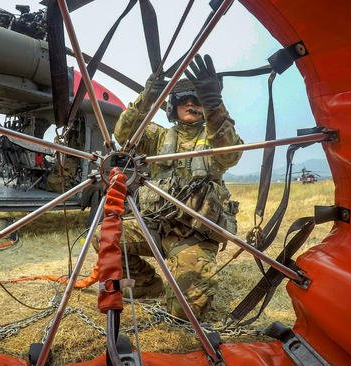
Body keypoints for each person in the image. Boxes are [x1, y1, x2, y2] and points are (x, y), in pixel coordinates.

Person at [94, 54, 242, 319]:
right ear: (173, 105)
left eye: (197, 99)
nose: (190, 103)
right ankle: (146, 284)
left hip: (192, 235)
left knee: (184, 313)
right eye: (184, 99)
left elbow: (231, 154)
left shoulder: (216, 136)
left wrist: (214, 102)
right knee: (104, 237)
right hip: (154, 226)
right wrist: (147, 95)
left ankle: (185, 287)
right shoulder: (158, 136)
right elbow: (123, 133)